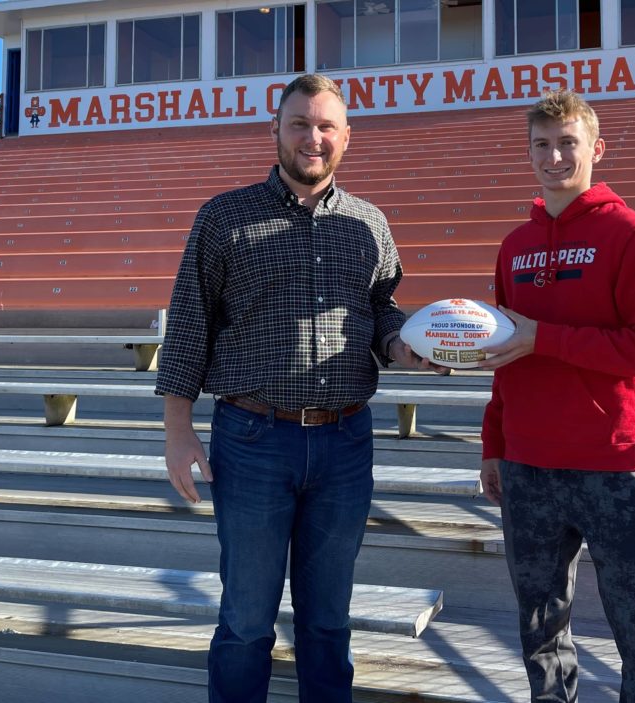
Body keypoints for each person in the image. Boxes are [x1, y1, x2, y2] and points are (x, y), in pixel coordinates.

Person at [155, 73, 438, 703]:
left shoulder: (369, 222)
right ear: (275, 132)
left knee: (328, 620)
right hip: (252, 439)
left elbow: (381, 311)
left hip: (344, 441)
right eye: (300, 124)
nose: (314, 138)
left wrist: (403, 345)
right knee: (246, 621)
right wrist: (178, 431)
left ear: (346, 137)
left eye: (326, 126)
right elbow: (190, 325)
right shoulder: (224, 217)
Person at [478, 89, 635, 702]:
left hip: (614, 465)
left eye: (568, 142)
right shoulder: (514, 245)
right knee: (540, 629)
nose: (555, 156)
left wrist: (547, 339)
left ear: (596, 148)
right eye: (542, 144)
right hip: (528, 465)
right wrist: (494, 443)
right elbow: (505, 352)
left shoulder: (631, 233)